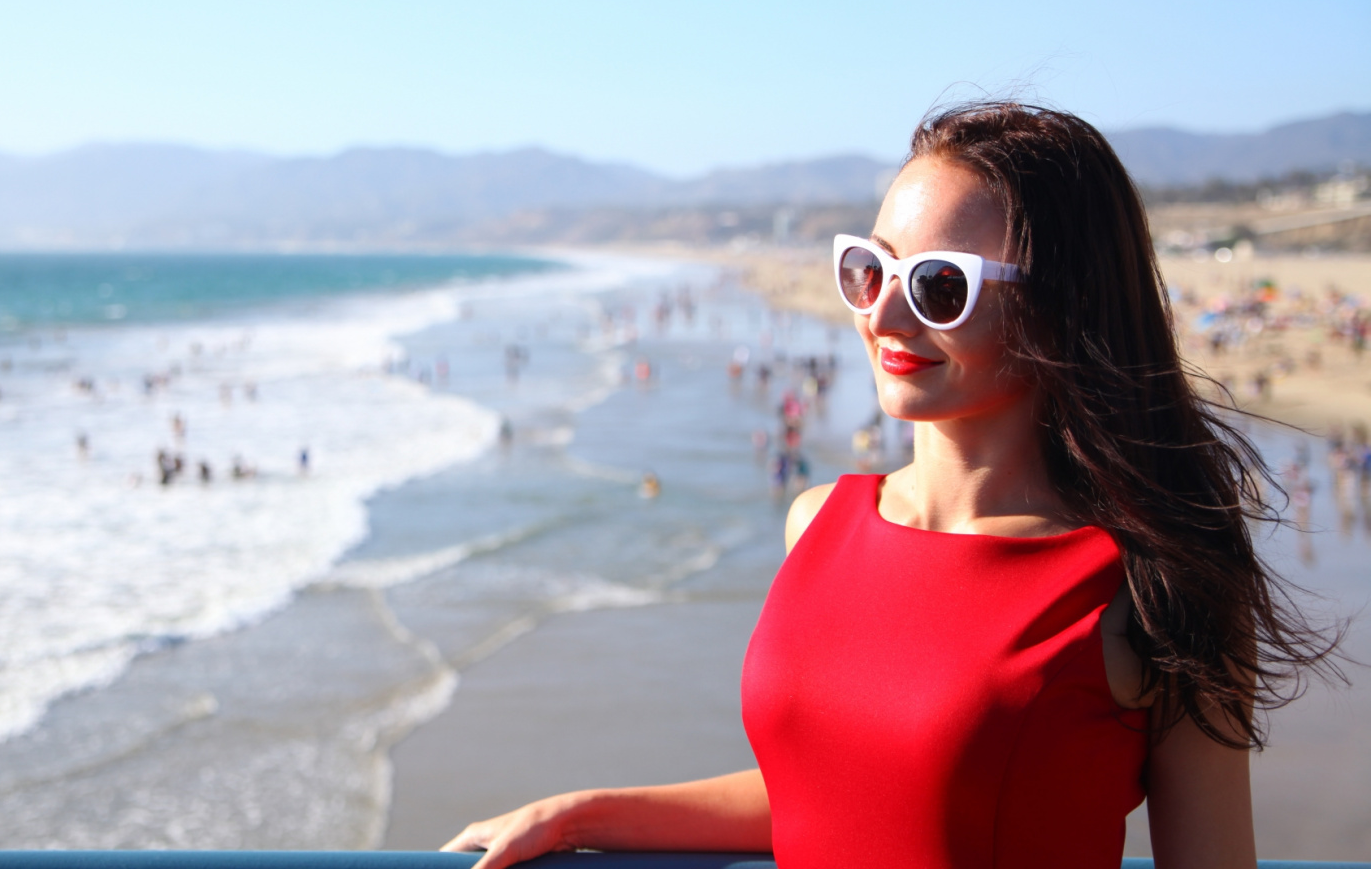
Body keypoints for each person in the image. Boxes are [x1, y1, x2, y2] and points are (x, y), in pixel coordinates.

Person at [441, 103, 1340, 869]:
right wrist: (586, 815)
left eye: (938, 286)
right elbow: (834, 792)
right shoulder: (817, 523)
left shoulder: (1151, 584)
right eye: (869, 268)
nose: (883, 313)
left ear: (1061, 305)